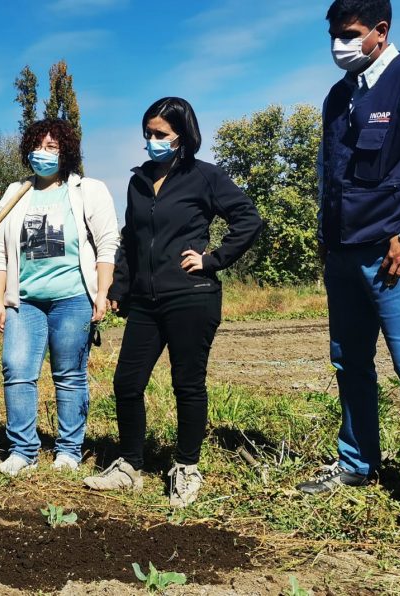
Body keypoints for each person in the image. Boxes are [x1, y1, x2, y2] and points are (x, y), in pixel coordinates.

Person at [296, 0, 400, 522]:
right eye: (334, 36)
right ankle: (357, 462)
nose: (340, 45)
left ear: (381, 31)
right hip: (343, 256)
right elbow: (331, 174)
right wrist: (325, 236)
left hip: (396, 257)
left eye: (351, 34)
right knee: (350, 363)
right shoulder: (336, 97)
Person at [83, 98, 262, 507]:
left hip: (190, 297)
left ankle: (186, 467)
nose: (152, 141)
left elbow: (248, 219)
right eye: (148, 133)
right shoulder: (138, 180)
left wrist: (213, 259)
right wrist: (119, 289)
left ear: (182, 136)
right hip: (144, 302)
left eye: (160, 134)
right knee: (127, 382)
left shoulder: (205, 177)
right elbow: (130, 239)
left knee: (187, 384)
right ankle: (129, 465)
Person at [0, 118, 119, 475]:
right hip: (24, 301)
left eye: (52, 148)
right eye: (37, 146)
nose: (42, 154)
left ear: (67, 153)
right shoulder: (15, 193)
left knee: (70, 374)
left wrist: (102, 293)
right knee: (16, 369)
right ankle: (22, 451)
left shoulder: (88, 190)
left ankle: (69, 451)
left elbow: (108, 243)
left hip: (73, 298)